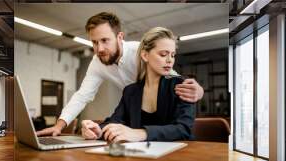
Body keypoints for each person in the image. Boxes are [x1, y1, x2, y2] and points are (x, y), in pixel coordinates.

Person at [36, 12, 203, 137]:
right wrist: (65, 126)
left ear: (119, 37)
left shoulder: (140, 51)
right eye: (94, 42)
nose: (99, 49)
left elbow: (170, 75)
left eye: (105, 40)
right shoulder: (125, 87)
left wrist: (198, 90)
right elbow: (82, 96)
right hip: (136, 117)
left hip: (160, 129)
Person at [81, 27, 195, 142]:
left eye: (173, 55)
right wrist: (97, 130)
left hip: (179, 155)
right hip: (141, 155)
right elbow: (114, 121)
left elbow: (183, 129)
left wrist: (141, 133)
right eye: (163, 54)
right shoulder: (130, 91)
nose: (170, 60)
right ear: (145, 55)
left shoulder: (182, 86)